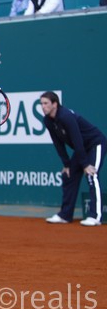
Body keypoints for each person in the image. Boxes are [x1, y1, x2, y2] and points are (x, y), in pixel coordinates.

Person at [40, 91, 106, 227]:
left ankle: (95, 216)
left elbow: (77, 140)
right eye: (41, 104)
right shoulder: (47, 120)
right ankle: (65, 215)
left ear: (55, 104)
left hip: (95, 143)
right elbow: (58, 143)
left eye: (46, 103)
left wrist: (86, 164)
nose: (43, 107)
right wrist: (67, 164)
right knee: (68, 175)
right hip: (82, 148)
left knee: (91, 175)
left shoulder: (66, 116)